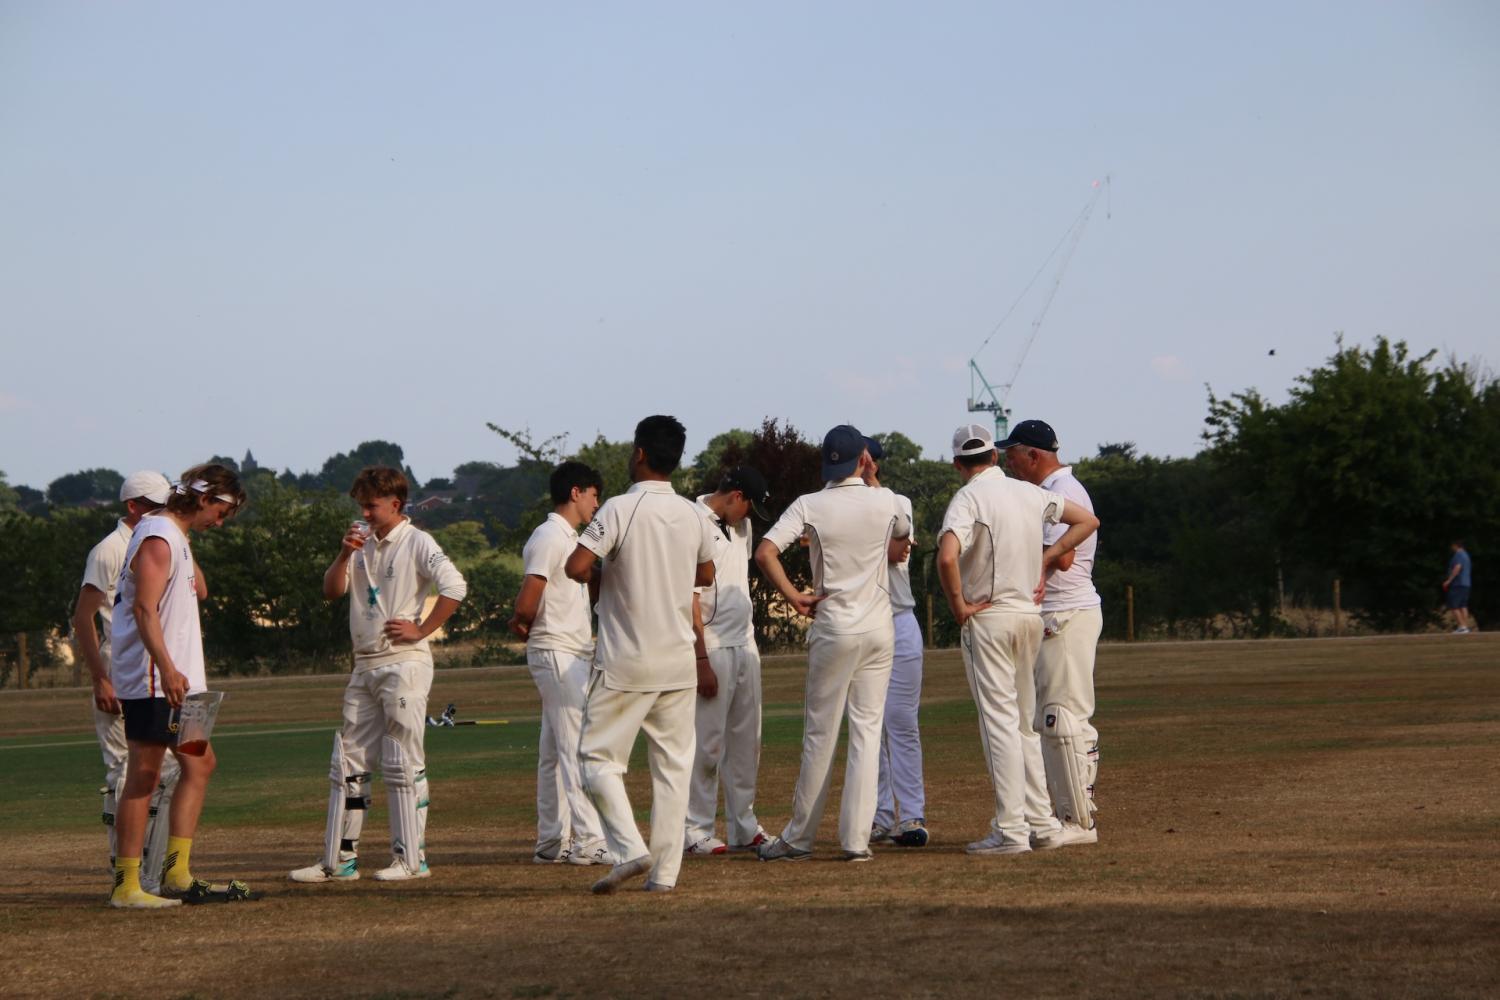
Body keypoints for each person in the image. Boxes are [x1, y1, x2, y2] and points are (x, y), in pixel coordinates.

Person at [290, 466, 467, 884]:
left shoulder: (418, 541)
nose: (365, 514)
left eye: (371, 506)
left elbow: (455, 587)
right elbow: (331, 591)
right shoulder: (361, 544)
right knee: (348, 761)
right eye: (361, 506)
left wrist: (422, 628)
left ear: (395, 504)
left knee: (403, 760)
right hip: (364, 664)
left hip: (404, 663)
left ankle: (411, 859)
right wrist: (344, 554)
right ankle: (340, 861)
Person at [564, 415, 718, 893]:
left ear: (640, 455)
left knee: (596, 759)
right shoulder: (694, 513)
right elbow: (708, 574)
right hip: (677, 660)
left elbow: (575, 565)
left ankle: (630, 850)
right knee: (673, 771)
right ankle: (666, 877)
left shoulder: (617, 509)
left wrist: (607, 576)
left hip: (627, 658)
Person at [935, 424, 1097, 857]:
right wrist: (1043, 559)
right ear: (993, 455)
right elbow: (1087, 520)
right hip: (1028, 618)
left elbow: (948, 555)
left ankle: (1010, 830)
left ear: (958, 464)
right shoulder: (1029, 493)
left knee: (999, 726)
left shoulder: (968, 498)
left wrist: (958, 606)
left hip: (989, 618)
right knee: (1024, 723)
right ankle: (1042, 824)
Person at [754, 425, 912, 862]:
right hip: (880, 629)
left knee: (820, 735)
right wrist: (873, 476)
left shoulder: (812, 503)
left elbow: (765, 551)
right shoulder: (886, 499)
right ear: (863, 458)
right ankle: (856, 841)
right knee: (866, 733)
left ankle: (799, 838)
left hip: (835, 627)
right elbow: (902, 529)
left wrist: (794, 596)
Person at [107, 463, 246, 908]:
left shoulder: (174, 536)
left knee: (199, 766)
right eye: (221, 512)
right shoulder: (157, 538)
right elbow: (145, 610)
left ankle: (178, 874)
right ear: (204, 498)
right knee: (143, 777)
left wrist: (188, 531)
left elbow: (199, 591)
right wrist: (166, 668)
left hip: (184, 683)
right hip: (155, 681)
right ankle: (127, 886)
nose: (220, 524)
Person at [72, 470, 182, 892]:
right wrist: (101, 679)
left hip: (153, 669)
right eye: (155, 507)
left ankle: (153, 871)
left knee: (166, 771)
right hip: (118, 671)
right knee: (126, 773)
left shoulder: (163, 542)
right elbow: (83, 617)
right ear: (132, 506)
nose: (163, 514)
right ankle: (125, 874)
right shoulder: (110, 549)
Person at [1000, 419, 1102, 848]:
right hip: (1054, 615)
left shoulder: (1062, 494)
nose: (1008, 464)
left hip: (1067, 613)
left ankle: (1079, 822)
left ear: (1033, 455)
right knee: (1054, 719)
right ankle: (1062, 814)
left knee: (1065, 719)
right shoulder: (1050, 492)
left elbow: (1061, 559)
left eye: (1012, 455)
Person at [509, 460, 611, 866]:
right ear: (575, 492)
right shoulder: (551, 536)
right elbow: (529, 594)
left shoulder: (568, 536)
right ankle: (589, 841)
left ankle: (552, 842)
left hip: (566, 650)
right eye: (593, 495)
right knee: (576, 747)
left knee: (554, 752)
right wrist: (522, 621)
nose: (596, 503)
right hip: (557, 650)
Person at [683, 466, 773, 857]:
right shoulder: (691, 521)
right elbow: (689, 596)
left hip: (744, 644)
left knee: (746, 743)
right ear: (735, 496)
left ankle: (743, 824)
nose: (749, 516)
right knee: (706, 743)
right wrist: (701, 657)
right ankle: (695, 827)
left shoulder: (742, 527)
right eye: (748, 506)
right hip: (712, 646)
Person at [861, 439, 929, 849]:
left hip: (899, 619)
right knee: (869, 725)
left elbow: (896, 551)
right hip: (861, 624)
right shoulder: (831, 503)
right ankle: (880, 816)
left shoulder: (895, 500)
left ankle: (912, 815)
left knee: (900, 721)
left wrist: (870, 482)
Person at [1443, 541, 1475, 634]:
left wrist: (1449, 580)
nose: (1451, 548)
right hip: (1466, 584)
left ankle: (1462, 626)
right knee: (1463, 606)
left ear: (1456, 546)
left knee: (1454, 606)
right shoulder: (1466, 555)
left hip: (1458, 584)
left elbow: (1457, 567)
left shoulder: (1458, 554)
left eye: (1452, 546)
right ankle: (1465, 627)